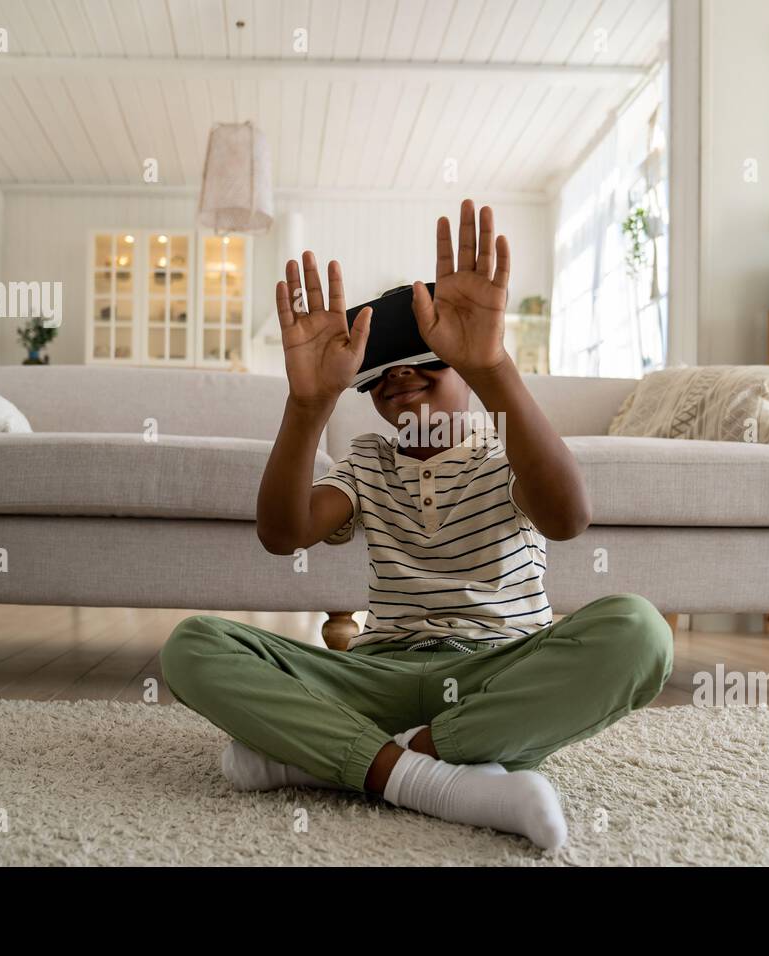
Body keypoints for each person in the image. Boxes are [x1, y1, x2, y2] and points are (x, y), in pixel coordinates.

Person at [161, 200, 673, 850]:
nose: (400, 375)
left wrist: (492, 368)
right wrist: (307, 404)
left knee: (639, 632)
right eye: (379, 374)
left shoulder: (506, 447)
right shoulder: (368, 462)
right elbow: (281, 534)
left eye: (427, 358)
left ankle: (353, 760)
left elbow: (569, 517)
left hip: (498, 669)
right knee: (193, 644)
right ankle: (436, 774)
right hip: (376, 677)